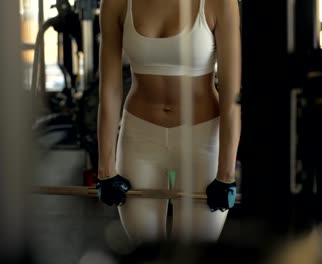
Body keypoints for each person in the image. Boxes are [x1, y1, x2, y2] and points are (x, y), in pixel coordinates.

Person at [96, 0, 241, 245]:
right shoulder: (116, 3)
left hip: (202, 140)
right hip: (139, 139)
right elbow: (109, 90)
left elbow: (232, 95)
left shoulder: (221, 3)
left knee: (195, 251)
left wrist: (227, 173)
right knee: (143, 249)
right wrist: (105, 168)